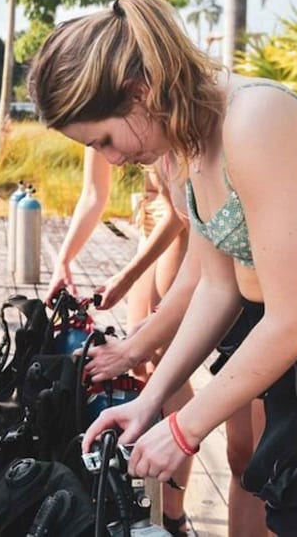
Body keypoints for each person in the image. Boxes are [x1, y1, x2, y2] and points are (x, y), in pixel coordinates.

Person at [28, 0, 297, 535]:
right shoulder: (192, 143)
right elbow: (217, 288)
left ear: (140, 90)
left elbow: (296, 317)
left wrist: (183, 430)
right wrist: (149, 403)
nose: (113, 160)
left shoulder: (255, 120)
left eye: (104, 140)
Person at [45, 147, 196, 535]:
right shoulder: (100, 117)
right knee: (142, 365)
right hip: (150, 226)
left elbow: (182, 215)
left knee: (165, 363)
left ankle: (173, 512)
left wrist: (127, 277)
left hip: (179, 229)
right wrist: (64, 259)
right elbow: (94, 194)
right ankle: (149, 502)